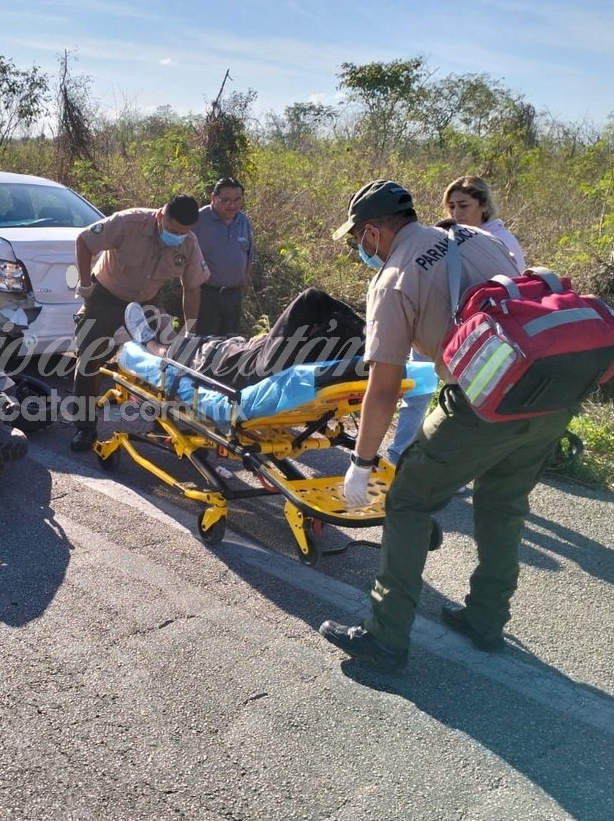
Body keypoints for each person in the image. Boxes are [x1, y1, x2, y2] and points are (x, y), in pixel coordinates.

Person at [319, 180, 573, 671]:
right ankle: (485, 619)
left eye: (357, 239)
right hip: (548, 395)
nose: (359, 249)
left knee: (408, 500)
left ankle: (386, 637)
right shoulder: (480, 238)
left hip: (484, 401)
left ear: (372, 231)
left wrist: (362, 462)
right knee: (503, 505)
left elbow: (385, 387)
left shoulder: (394, 279)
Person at [387, 176, 526, 466]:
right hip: (438, 322)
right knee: (418, 387)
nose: (456, 213)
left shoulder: (500, 240)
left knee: (464, 403)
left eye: (464, 205)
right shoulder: (450, 234)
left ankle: (453, 468)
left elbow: (510, 291)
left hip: (477, 335)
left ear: (484, 205)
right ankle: (399, 451)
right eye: (451, 206)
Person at [70, 195, 209, 451]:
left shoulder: (188, 243)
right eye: (174, 231)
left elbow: (192, 288)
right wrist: (85, 284)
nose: (177, 237)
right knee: (89, 359)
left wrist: (190, 330)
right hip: (106, 296)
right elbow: (84, 240)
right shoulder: (128, 222)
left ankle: (166, 421)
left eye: (184, 232)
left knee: (172, 357)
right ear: (160, 217)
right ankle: (84, 427)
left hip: (147, 301)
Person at [125, 288, 365, 390]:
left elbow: (311, 298)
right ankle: (161, 342)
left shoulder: (277, 361)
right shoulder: (339, 362)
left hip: (246, 369)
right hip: (252, 358)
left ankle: (148, 342)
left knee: (180, 352)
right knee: (212, 344)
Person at [192, 177, 255, 336]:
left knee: (229, 343)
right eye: (226, 200)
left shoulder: (243, 220)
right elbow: (184, 254)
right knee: (206, 344)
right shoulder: (199, 220)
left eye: (237, 200)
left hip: (233, 296)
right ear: (213, 198)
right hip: (207, 296)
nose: (232, 205)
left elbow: (249, 254)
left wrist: (245, 276)